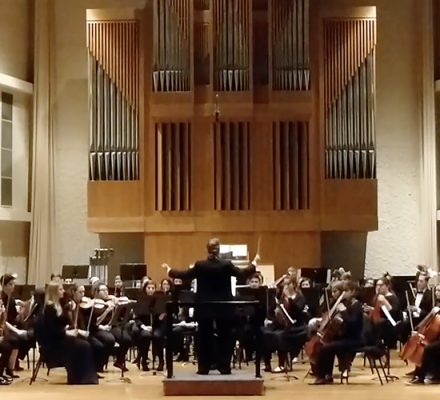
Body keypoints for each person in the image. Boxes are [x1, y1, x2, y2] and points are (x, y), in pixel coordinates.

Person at [162, 237, 260, 375]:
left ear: (207, 250)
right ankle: (224, 367)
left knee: (203, 337)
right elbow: (242, 273)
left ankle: (204, 368)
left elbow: (185, 274)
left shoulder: (200, 265)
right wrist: (255, 262)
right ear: (218, 250)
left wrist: (169, 270)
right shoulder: (226, 265)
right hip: (223, 307)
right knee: (225, 337)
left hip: (204, 307)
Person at [38, 282, 98, 384]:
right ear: (54, 292)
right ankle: (78, 377)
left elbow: (62, 323)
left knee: (85, 344)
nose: (64, 291)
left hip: (61, 337)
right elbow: (51, 329)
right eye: (60, 289)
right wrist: (67, 332)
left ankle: (83, 377)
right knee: (83, 346)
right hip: (54, 342)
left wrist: (71, 311)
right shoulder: (49, 307)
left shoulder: (58, 305)